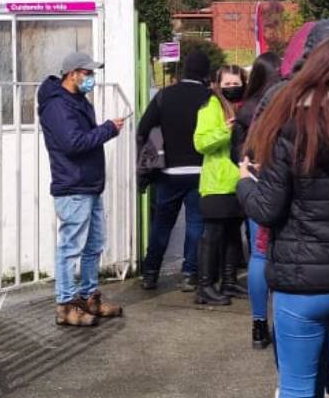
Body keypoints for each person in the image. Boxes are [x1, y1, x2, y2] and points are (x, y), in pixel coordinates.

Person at [238, 37, 329, 398]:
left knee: (297, 397)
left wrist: (244, 182)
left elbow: (268, 208)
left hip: (302, 285)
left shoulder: (291, 128)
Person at [37, 52, 126, 327]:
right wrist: (108, 129)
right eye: (87, 73)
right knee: (70, 248)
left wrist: (105, 129)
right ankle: (65, 304)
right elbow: (73, 143)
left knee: (92, 246)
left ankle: (89, 297)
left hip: (88, 184)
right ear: (72, 73)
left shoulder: (76, 102)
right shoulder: (57, 106)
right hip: (73, 185)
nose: (91, 79)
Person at [137, 51, 212, 292]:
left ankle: (150, 273)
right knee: (195, 225)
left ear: (185, 70)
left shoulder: (164, 96)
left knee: (162, 224)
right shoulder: (209, 98)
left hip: (168, 172)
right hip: (201, 171)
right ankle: (190, 273)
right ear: (205, 73)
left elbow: (143, 128)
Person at [230, 52, 281, 348]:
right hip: (285, 185)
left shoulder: (246, 110)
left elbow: (234, 154)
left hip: (255, 186)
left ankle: (259, 325)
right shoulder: (288, 103)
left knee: (259, 256)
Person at [193, 65, 248, 305]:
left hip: (237, 180)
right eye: (227, 84)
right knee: (212, 234)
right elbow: (200, 142)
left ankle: (229, 281)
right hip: (216, 182)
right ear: (217, 85)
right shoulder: (211, 106)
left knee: (233, 235)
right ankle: (204, 285)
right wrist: (225, 132)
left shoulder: (241, 106)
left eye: (237, 84)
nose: (232, 88)